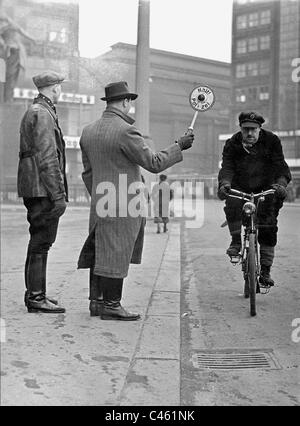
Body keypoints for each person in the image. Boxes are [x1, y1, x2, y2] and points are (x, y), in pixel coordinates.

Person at [78, 81, 194, 320]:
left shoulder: (88, 131)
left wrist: (100, 195)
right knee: (117, 251)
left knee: (100, 249)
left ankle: (96, 302)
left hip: (101, 201)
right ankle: (111, 305)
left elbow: (87, 173)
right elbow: (154, 163)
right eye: (130, 102)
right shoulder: (126, 131)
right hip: (124, 203)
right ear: (126, 102)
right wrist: (179, 145)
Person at [218, 111, 291, 287]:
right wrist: (225, 183)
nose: (249, 133)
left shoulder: (272, 141)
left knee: (268, 225)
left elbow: (280, 166)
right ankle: (236, 241)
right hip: (240, 186)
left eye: (253, 129)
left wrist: (280, 184)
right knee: (232, 204)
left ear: (260, 129)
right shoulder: (232, 143)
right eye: (245, 129)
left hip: (266, 187)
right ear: (240, 129)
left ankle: (265, 271)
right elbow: (227, 166)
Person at [17, 71, 68, 313]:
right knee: (41, 242)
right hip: (42, 188)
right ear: (54, 87)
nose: (61, 91)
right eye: (60, 86)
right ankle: (37, 298)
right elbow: (49, 158)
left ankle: (35, 295)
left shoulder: (36, 110)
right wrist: (58, 195)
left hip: (34, 186)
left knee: (38, 242)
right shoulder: (43, 114)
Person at [0, 1, 35, 102]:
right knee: (8, 76)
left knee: (11, 76)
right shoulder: (6, 27)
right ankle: (7, 98)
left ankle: (7, 98)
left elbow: (23, 33)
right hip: (9, 52)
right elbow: (23, 33)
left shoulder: (10, 26)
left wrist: (33, 39)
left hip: (12, 52)